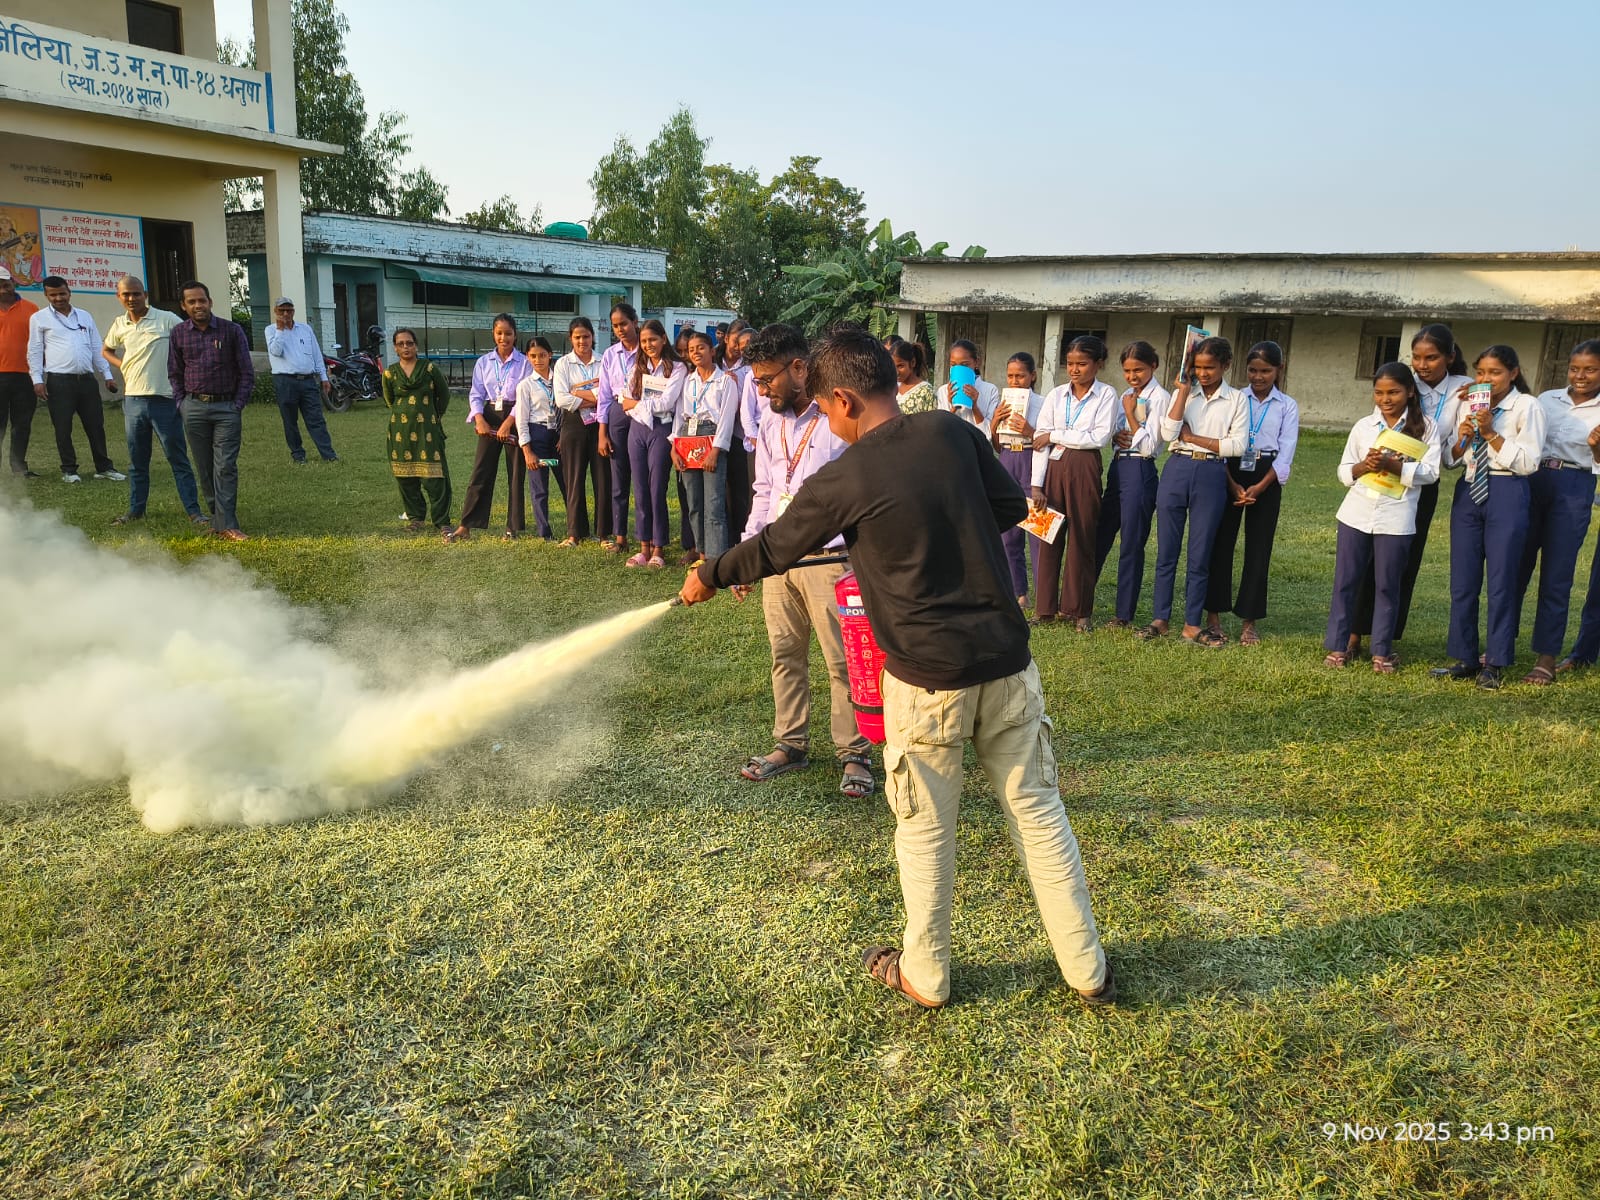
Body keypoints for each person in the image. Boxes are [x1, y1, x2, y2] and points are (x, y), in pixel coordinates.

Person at [678, 328, 1114, 1010]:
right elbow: (1014, 511)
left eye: (825, 409)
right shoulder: (954, 433)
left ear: (846, 398)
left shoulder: (843, 477)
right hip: (1008, 665)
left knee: (924, 830)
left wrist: (710, 573)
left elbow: (775, 547)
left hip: (926, 684)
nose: (824, 420)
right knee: (1039, 814)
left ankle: (927, 977)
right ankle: (1088, 972)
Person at [721, 323, 873, 800]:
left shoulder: (837, 419)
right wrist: (750, 556)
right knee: (785, 657)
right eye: (756, 381)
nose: (761, 390)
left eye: (767, 380)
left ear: (800, 368)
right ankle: (791, 743)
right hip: (778, 560)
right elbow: (764, 492)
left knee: (841, 661)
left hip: (830, 561)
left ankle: (855, 754)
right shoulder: (770, 422)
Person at [1349, 324, 1472, 658]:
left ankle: (1382, 637)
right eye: (1417, 357)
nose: (1423, 365)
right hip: (1382, 479)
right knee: (1367, 556)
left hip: (1421, 483)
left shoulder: (1464, 389)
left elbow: (1448, 457)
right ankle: (1353, 634)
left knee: (1402, 561)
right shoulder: (1403, 382)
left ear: (1450, 356)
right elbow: (1379, 421)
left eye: (1431, 357)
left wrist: (1467, 428)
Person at [1430, 345, 1544, 690]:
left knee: (1501, 581)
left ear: (1513, 373)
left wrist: (1492, 433)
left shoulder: (1526, 406)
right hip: (1469, 491)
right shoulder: (1469, 403)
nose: (1486, 380)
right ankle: (1464, 656)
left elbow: (1528, 463)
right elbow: (1449, 461)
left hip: (1508, 490)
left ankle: (1494, 662)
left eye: (1495, 373)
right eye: (1481, 372)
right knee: (1463, 581)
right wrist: (1463, 437)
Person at [1323, 364, 1440, 672]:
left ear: (1410, 392)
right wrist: (1364, 466)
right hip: (1356, 513)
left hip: (1396, 516)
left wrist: (1394, 465)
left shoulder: (1426, 427)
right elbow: (1344, 470)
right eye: (1379, 392)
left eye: (1393, 392)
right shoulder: (1364, 426)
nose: (1385, 399)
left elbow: (1431, 473)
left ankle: (1381, 651)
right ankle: (1338, 646)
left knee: (1388, 584)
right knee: (1346, 581)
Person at [1514, 339, 1600, 684]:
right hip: (1533, 481)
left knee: (1557, 575)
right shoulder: (1546, 399)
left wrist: (1597, 450)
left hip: (1575, 486)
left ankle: (1546, 658)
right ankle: (1498, 648)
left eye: (1590, 369)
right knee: (1515, 568)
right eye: (1575, 368)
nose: (1580, 375)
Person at [1204, 341, 1300, 645]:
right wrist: (1232, 482)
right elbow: (1222, 438)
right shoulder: (1235, 399)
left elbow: (1286, 452)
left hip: (1266, 474)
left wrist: (1261, 485)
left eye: (1266, 371)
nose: (1258, 377)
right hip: (1230, 468)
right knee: (1220, 544)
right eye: (1253, 370)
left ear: (1279, 370)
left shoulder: (1287, 405)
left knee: (1259, 549)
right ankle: (1214, 618)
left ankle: (1249, 622)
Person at [101, 274, 205, 527]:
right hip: (134, 402)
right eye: (126, 294)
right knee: (137, 461)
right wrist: (122, 364)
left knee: (178, 459)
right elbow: (106, 350)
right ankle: (136, 511)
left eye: (136, 293)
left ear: (145, 295)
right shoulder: (120, 324)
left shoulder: (166, 319)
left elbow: (188, 344)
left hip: (165, 400)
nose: (131, 298)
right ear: (119, 297)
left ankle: (195, 513)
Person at [1032, 335, 1117, 629]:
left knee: (1082, 537)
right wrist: (1036, 485)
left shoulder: (1106, 395)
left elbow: (1098, 437)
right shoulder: (1056, 396)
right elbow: (1038, 440)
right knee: (1049, 536)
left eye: (1082, 363)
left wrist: (1055, 435)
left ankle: (1079, 611)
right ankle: (1044, 609)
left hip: (1085, 468)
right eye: (1070, 363)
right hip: (1053, 469)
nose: (1075, 369)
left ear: (1098, 364)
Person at [168, 280, 254, 541]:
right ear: (184, 306)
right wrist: (182, 403)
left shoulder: (231, 331)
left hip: (226, 408)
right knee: (204, 467)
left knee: (225, 466)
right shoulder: (179, 333)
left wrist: (237, 404)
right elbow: (175, 371)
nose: (198, 305)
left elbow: (246, 372)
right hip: (193, 408)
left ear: (210, 302)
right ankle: (217, 519)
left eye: (201, 300)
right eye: (191, 301)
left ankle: (228, 523)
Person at [1094, 341, 1169, 628]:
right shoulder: (1127, 394)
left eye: (1139, 369)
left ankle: (1123, 614)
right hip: (1119, 466)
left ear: (1154, 366)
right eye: (1127, 370)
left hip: (1141, 467)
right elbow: (1114, 431)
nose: (1132, 376)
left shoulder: (1160, 398)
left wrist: (1129, 416)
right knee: (1100, 533)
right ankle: (1080, 600)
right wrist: (1116, 435)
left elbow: (1150, 446)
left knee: (1131, 542)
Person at [27, 276, 123, 484]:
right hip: (58, 381)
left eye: (62, 293)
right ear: (46, 295)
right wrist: (37, 379)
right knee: (63, 427)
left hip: (87, 381)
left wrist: (107, 375)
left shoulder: (84, 316)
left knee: (96, 425)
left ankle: (104, 467)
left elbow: (97, 346)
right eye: (53, 295)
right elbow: (34, 350)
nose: (58, 298)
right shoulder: (39, 318)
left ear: (69, 292)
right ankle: (70, 470)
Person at [445, 313, 531, 543]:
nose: (504, 338)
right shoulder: (484, 362)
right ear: (493, 334)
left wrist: (509, 423)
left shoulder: (524, 363)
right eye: (499, 333)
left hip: (515, 416)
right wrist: (479, 418)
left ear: (515, 335)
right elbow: (476, 393)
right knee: (480, 472)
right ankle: (466, 525)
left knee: (515, 473)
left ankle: (513, 527)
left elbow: (525, 397)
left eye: (508, 333)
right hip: (489, 414)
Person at [621, 319, 686, 568]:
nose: (648, 345)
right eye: (645, 341)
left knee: (656, 487)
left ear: (663, 339)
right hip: (637, 430)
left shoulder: (677, 368)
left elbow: (667, 403)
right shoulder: (637, 366)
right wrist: (635, 406)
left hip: (662, 429)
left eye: (653, 340)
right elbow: (624, 398)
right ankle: (643, 547)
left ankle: (659, 547)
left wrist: (636, 405)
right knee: (639, 488)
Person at [674, 329, 739, 564]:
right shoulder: (687, 380)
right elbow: (679, 416)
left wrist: (715, 451)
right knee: (694, 502)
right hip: (688, 439)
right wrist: (674, 446)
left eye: (700, 348)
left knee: (713, 503)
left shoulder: (724, 381)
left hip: (712, 441)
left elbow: (726, 420)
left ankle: (716, 558)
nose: (695, 353)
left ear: (712, 351)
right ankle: (701, 553)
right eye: (691, 350)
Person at [380, 327, 452, 532]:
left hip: (427, 430)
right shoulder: (389, 373)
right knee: (406, 477)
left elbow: (444, 395)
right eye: (401, 343)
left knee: (435, 477)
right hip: (399, 432)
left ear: (416, 345)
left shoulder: (429, 369)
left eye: (409, 343)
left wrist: (433, 415)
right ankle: (416, 518)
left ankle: (442, 521)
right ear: (395, 348)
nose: (405, 347)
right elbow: (389, 400)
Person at [991, 351, 1046, 608]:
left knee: (1037, 530)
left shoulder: (1043, 403)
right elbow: (996, 445)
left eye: (1020, 376)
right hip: (1007, 462)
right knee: (1009, 533)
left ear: (1032, 376)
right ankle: (1018, 593)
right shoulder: (1002, 402)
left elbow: (1045, 440)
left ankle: (1043, 595)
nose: (1014, 381)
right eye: (1011, 376)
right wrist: (994, 423)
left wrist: (1029, 430)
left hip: (1030, 460)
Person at [553, 316, 609, 546]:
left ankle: (604, 533)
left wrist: (577, 392)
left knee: (603, 478)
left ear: (592, 337)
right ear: (570, 339)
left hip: (600, 424)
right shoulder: (563, 364)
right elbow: (561, 398)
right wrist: (592, 397)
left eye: (586, 336)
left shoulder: (604, 360)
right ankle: (575, 533)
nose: (582, 341)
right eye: (577, 337)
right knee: (573, 479)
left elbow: (607, 394)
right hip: (573, 424)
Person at [264, 296, 338, 465]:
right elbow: (275, 351)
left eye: (289, 310)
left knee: (316, 418)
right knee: (290, 420)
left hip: (307, 380)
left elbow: (316, 354)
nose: (285, 313)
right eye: (281, 310)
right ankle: (298, 455)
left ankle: (329, 454)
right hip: (285, 381)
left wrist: (324, 377)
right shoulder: (271, 330)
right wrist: (280, 330)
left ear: (294, 311)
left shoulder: (305, 329)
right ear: (275, 312)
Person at [596, 302, 641, 554]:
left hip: (642, 413)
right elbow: (603, 396)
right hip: (616, 412)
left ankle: (648, 538)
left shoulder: (646, 350)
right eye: (615, 326)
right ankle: (620, 536)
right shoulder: (610, 355)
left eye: (624, 323)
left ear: (634, 322)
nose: (620, 329)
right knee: (619, 477)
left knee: (643, 477)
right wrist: (602, 433)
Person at [514, 336, 562, 540]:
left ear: (550, 355)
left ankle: (576, 529)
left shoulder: (561, 379)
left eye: (542, 355)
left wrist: (563, 435)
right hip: (538, 435)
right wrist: (527, 450)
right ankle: (545, 532)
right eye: (533, 356)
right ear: (527, 358)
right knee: (539, 487)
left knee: (568, 482)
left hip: (559, 436)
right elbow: (521, 420)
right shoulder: (525, 385)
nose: (538, 360)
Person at [0, 265, 40, 477]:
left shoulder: (31, 309)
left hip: (25, 376)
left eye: (5, 284)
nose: (3, 289)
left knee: (21, 424)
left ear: (13, 282)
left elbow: (40, 343)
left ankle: (19, 467)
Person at [936, 339, 1000, 435]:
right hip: (953, 446)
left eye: (965, 365)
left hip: (977, 448)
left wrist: (974, 406)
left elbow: (988, 434)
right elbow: (941, 429)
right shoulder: (943, 391)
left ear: (976, 363)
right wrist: (953, 406)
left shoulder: (990, 390)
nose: (959, 369)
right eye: (953, 365)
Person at [892, 339, 938, 414]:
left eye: (900, 366)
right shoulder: (891, 388)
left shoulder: (926, 392)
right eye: (893, 366)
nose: (896, 372)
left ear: (913, 362)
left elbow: (932, 422)